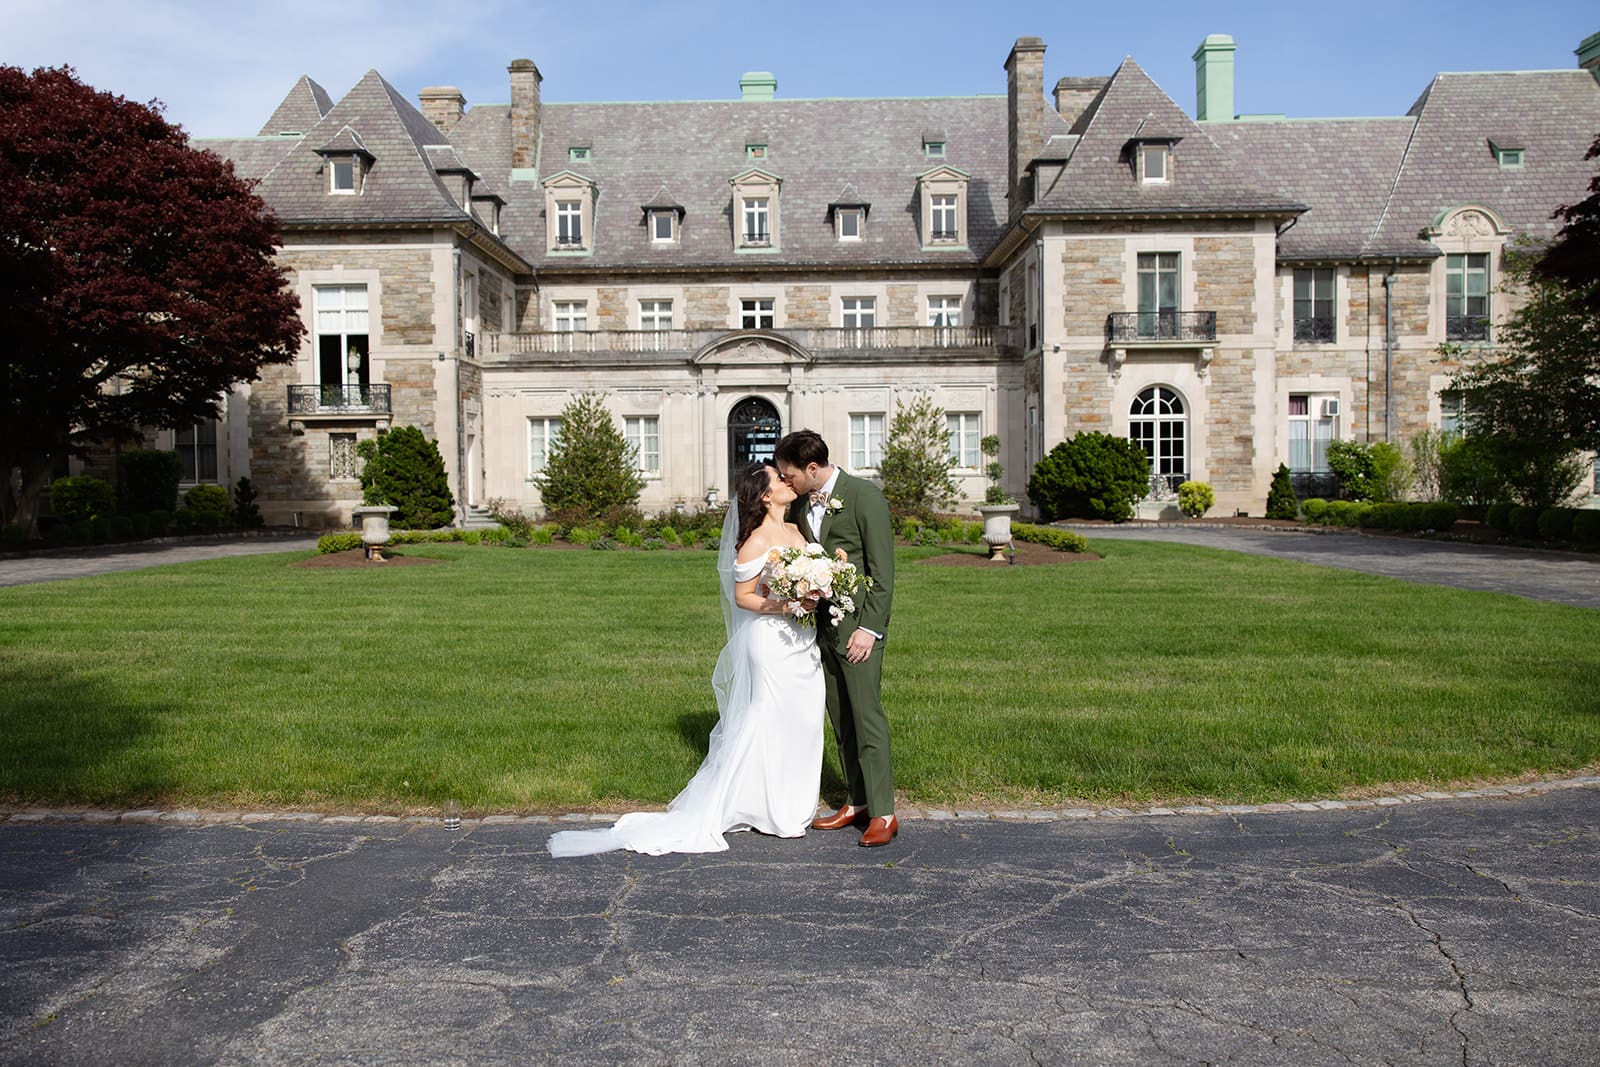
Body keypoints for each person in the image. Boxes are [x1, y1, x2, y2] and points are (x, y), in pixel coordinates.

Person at [547, 462, 824, 857]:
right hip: (770, 641)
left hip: (802, 640)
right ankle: (763, 808)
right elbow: (742, 596)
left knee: (804, 716)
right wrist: (787, 605)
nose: (786, 479)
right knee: (767, 715)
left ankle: (789, 802)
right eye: (778, 478)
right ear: (764, 495)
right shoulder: (756, 540)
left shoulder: (797, 531)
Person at [772, 430, 898, 848]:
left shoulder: (864, 497)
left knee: (867, 718)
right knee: (841, 719)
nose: (787, 482)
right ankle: (856, 801)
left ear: (812, 469)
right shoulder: (804, 507)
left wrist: (869, 629)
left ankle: (883, 812)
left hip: (860, 631)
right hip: (822, 629)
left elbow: (882, 573)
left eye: (790, 476)